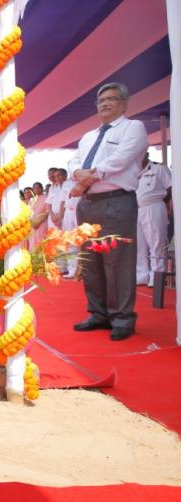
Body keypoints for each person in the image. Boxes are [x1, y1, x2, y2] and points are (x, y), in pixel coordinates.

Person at [70, 82, 148, 341]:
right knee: (90, 262)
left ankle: (122, 318)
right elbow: (75, 161)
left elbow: (121, 159)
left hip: (116, 202)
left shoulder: (133, 128)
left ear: (124, 103)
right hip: (88, 205)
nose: (104, 103)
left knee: (118, 262)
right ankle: (98, 313)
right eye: (100, 100)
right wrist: (76, 174)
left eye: (112, 99)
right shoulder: (88, 136)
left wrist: (86, 178)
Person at [135, 152, 172, 287]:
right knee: (139, 244)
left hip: (154, 207)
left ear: (147, 154)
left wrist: (166, 204)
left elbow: (171, 188)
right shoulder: (132, 171)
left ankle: (157, 275)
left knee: (156, 242)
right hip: (136, 209)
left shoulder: (159, 169)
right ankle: (142, 275)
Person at [27, 181, 48, 250]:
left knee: (42, 242)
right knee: (33, 243)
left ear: (42, 188)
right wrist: (32, 221)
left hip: (42, 223)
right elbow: (28, 212)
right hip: (32, 224)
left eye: (38, 188)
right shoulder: (32, 200)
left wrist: (38, 221)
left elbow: (47, 212)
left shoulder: (46, 198)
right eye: (35, 188)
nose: (36, 190)